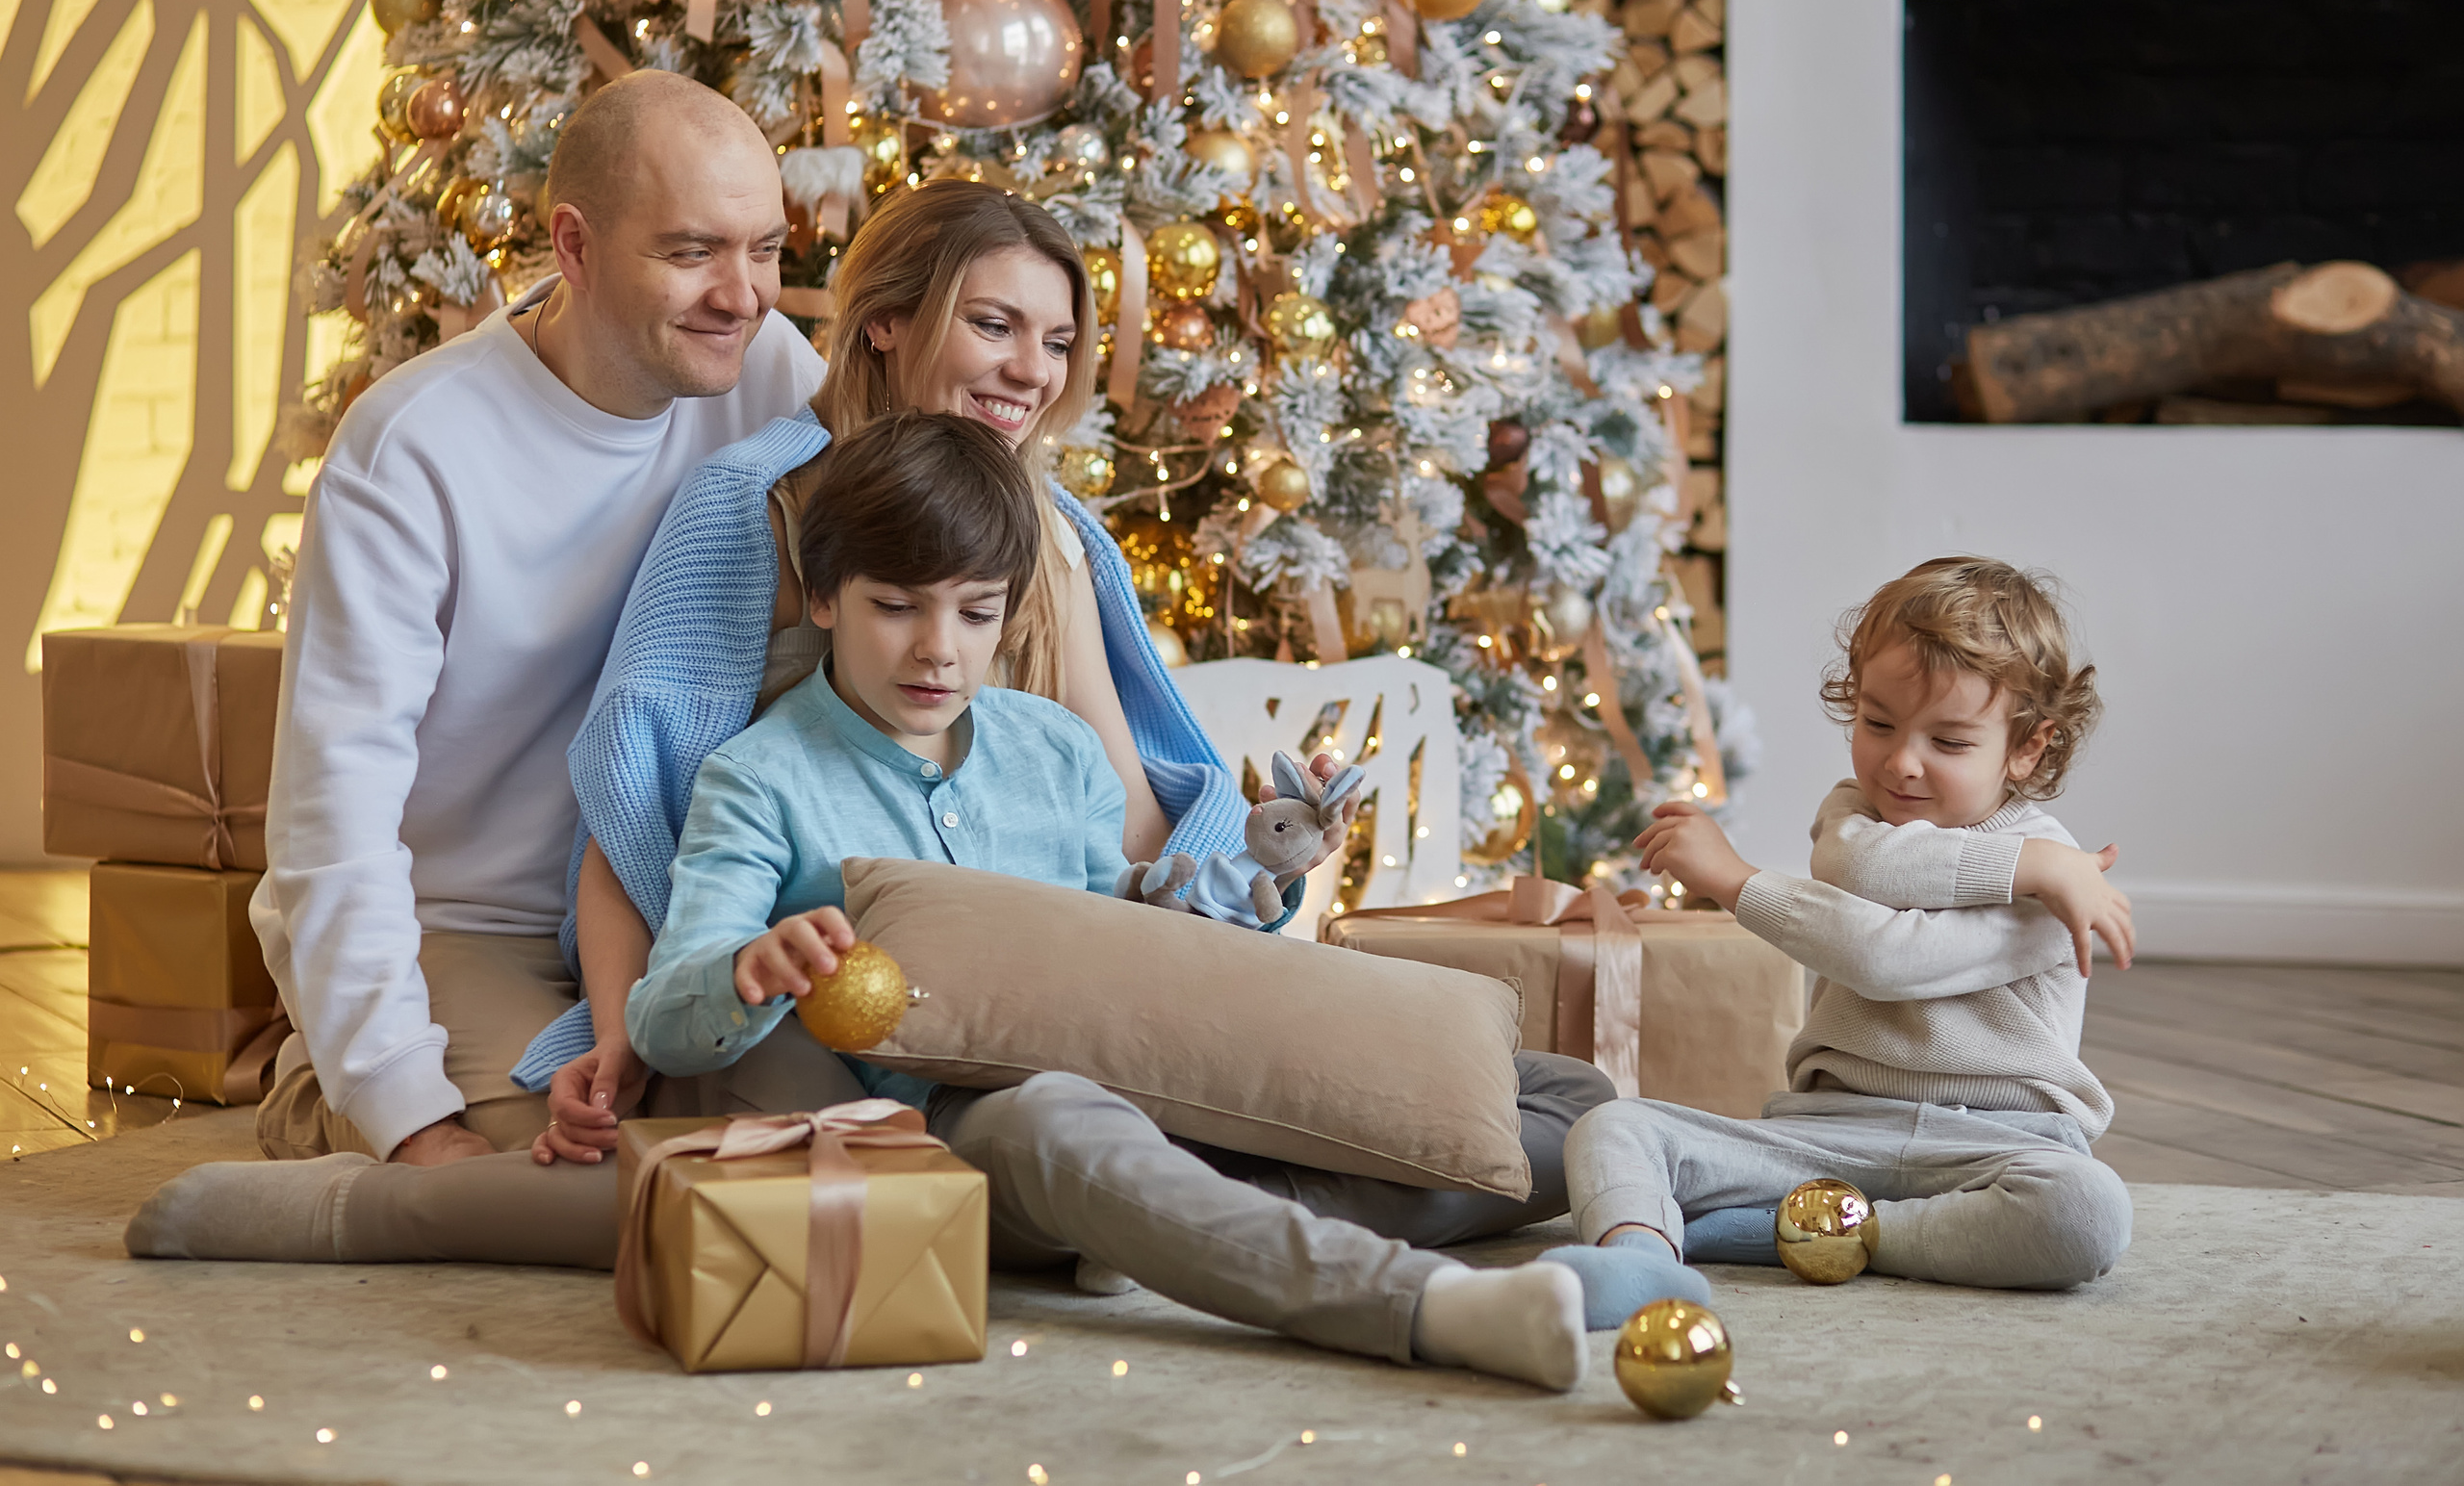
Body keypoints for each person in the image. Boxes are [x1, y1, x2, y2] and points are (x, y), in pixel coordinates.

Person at [134, 413, 1592, 1393]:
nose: (937, 648)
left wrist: (1258, 883)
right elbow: (668, 1010)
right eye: (897, 605)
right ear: (825, 595)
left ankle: (1632, 1209)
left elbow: (1123, 940)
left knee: (1532, 1098)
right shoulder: (759, 778)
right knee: (1067, 1124)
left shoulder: (1055, 753)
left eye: (974, 612)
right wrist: (753, 965)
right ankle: (1422, 1308)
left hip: (1133, 1101)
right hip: (943, 1138)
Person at [513, 180, 1614, 1250]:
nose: (1031, 371)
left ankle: (1158, 1216)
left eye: (1057, 342)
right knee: (1126, 1133)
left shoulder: (1057, 540)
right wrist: (624, 1040)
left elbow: (1122, 826)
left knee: (1552, 1097)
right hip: (866, 1022)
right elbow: (633, 811)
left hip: (1079, 982)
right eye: (993, 325)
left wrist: (1247, 869)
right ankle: (1172, 1213)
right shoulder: (759, 506)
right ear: (886, 323)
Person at [248, 70, 824, 1169]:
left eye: (765, 250)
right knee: (586, 1175)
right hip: (465, 923)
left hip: (681, 897)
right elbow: (333, 809)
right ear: (574, 246)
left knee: (797, 1150)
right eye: (693, 251)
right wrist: (410, 1119)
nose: (743, 295)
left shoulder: (771, 378)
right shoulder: (412, 448)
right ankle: (320, 1089)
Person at [1539, 556, 2139, 1323]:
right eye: (1878, 723)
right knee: (1612, 1125)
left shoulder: (2066, 878)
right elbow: (1857, 863)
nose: (1901, 762)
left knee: (2088, 1209)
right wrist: (2023, 867)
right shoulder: (1855, 818)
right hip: (1828, 1132)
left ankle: (1835, 1233)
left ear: (2027, 747)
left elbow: (1888, 958)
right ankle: (1641, 1258)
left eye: (1949, 741)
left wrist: (1736, 881)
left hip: (1995, 1147)